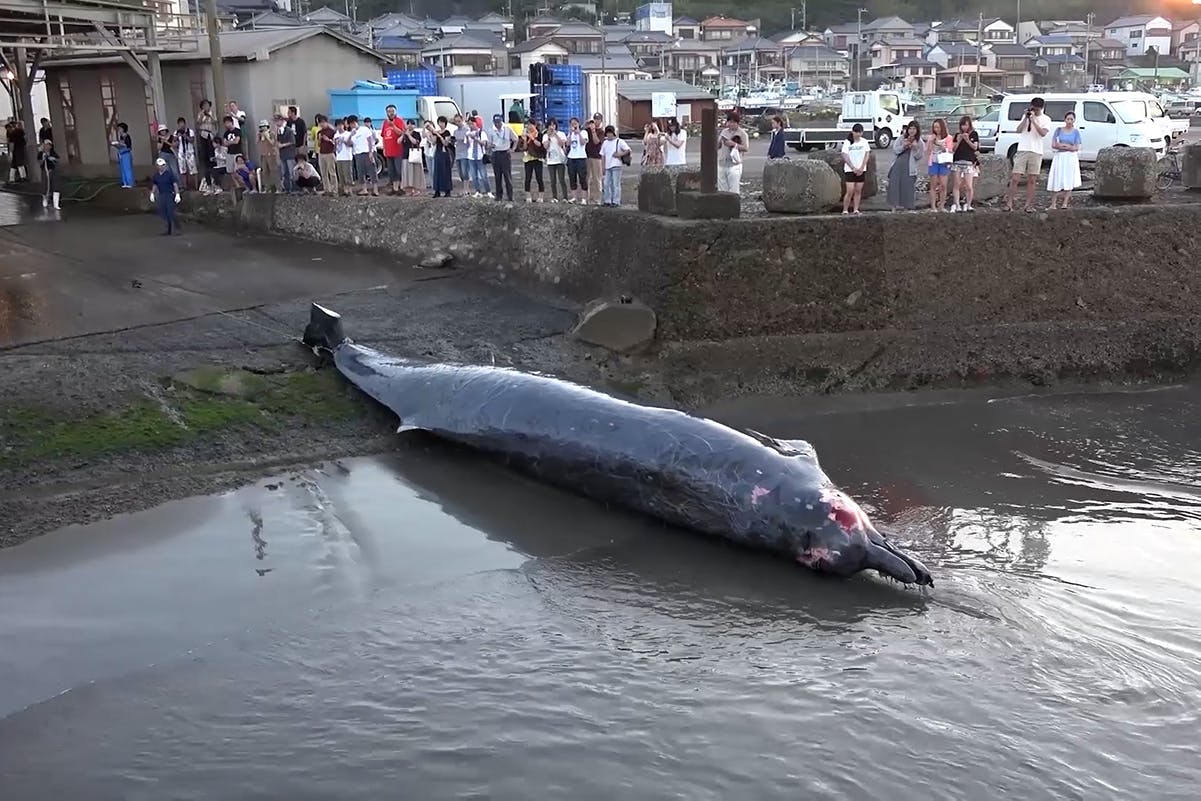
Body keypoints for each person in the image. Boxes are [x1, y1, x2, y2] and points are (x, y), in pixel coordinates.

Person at [1005, 96, 1050, 213]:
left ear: (1041, 108)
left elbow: (1042, 133)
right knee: (1015, 178)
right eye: (1033, 108)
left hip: (1036, 151)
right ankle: (1009, 203)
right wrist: (1026, 118)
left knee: (1032, 180)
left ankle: (1028, 205)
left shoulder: (1046, 119)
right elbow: (1018, 130)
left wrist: (1034, 121)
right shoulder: (1026, 116)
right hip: (1023, 149)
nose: (1034, 111)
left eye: (1037, 109)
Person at [1047, 111, 1082, 209]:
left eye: (1071, 119)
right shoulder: (1058, 130)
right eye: (1068, 119)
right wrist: (1067, 146)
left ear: (1074, 120)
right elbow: (1054, 144)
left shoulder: (1076, 132)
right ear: (1065, 120)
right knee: (1056, 178)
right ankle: (1053, 204)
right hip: (1060, 156)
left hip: (1070, 158)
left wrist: (1064, 146)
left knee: (1069, 178)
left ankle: (1065, 203)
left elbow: (1076, 147)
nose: (1069, 121)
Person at [887, 121, 922, 211]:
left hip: (910, 167)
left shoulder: (920, 141)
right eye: (910, 128)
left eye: (914, 129)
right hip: (898, 165)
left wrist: (915, 148)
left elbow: (919, 156)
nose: (911, 131)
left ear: (917, 130)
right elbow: (895, 150)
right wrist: (904, 146)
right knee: (894, 185)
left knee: (908, 186)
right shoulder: (901, 138)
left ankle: (907, 208)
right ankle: (893, 208)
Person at [949, 115, 979, 213]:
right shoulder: (957, 135)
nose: (964, 127)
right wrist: (958, 141)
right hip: (957, 160)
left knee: (969, 185)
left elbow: (975, 147)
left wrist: (967, 140)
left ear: (970, 125)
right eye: (962, 125)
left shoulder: (974, 134)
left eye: (966, 125)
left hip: (969, 162)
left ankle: (969, 204)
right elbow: (953, 149)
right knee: (957, 184)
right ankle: (957, 204)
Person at [840, 123, 870, 214]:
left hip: (861, 169)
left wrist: (862, 167)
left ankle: (856, 209)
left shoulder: (864, 141)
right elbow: (844, 154)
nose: (858, 134)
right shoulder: (847, 142)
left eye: (860, 132)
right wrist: (853, 167)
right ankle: (845, 209)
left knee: (858, 190)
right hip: (850, 169)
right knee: (850, 190)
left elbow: (867, 154)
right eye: (856, 132)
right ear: (852, 132)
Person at [924, 117, 952, 212]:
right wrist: (931, 142)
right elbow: (927, 150)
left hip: (944, 162)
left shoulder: (948, 138)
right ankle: (933, 206)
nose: (937, 129)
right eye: (935, 127)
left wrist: (942, 146)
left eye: (938, 127)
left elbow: (950, 150)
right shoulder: (931, 137)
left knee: (943, 185)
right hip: (934, 161)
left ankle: (942, 206)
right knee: (933, 185)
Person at [487, 114, 516, 202]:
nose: (497, 125)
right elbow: (488, 143)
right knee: (497, 176)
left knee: (507, 176)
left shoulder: (507, 129)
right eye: (496, 123)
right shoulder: (491, 130)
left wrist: (513, 149)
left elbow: (516, 139)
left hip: (505, 153)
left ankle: (510, 196)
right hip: (496, 154)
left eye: (499, 122)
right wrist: (490, 145)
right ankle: (499, 196)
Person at [599, 124, 631, 207]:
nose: (609, 135)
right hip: (607, 166)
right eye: (607, 133)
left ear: (613, 133)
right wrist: (602, 166)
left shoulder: (619, 141)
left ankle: (616, 201)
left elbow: (628, 150)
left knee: (615, 184)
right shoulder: (605, 143)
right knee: (606, 184)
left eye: (610, 133)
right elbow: (602, 155)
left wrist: (620, 154)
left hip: (616, 165)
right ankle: (607, 200)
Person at [718, 112, 749, 193]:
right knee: (722, 189)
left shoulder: (742, 133)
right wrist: (719, 141)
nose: (731, 124)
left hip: (734, 164)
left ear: (737, 123)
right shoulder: (724, 132)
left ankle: (733, 205)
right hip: (722, 163)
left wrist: (733, 144)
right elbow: (718, 146)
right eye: (729, 122)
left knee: (734, 189)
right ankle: (723, 204)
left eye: (733, 122)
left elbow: (745, 148)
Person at [149, 157, 181, 235]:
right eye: (159, 165)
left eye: (162, 165)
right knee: (163, 212)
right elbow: (155, 184)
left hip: (170, 194)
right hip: (162, 195)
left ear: (165, 166)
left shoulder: (169, 174)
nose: (161, 167)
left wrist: (177, 194)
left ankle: (176, 230)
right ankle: (168, 229)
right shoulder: (156, 176)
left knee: (171, 212)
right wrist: (152, 193)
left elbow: (175, 184)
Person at [349, 115, 377, 196]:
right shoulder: (353, 133)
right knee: (361, 172)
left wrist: (370, 152)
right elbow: (349, 143)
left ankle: (375, 190)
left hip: (367, 152)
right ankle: (364, 189)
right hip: (358, 154)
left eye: (351, 124)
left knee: (372, 171)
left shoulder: (364, 129)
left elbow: (370, 140)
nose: (351, 126)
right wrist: (351, 135)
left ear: (355, 122)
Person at [381, 104, 405, 195]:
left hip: (397, 150)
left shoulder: (399, 120)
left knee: (398, 170)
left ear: (395, 112)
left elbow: (402, 133)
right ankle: (394, 188)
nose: (391, 113)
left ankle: (399, 187)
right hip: (388, 150)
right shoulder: (385, 122)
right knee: (391, 171)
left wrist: (393, 125)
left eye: (392, 111)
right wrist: (384, 148)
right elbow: (383, 136)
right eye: (389, 111)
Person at [427, 117, 455, 198]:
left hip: (445, 153)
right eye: (439, 122)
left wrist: (439, 135)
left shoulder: (447, 132)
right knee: (437, 172)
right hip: (438, 153)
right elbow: (433, 142)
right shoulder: (436, 132)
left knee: (445, 172)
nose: (441, 124)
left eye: (442, 122)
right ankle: (437, 190)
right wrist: (431, 134)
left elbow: (446, 143)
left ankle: (447, 190)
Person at [195, 99, 218, 193]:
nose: (206, 107)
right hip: (203, 134)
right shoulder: (200, 114)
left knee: (212, 155)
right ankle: (208, 181)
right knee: (204, 156)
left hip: (211, 134)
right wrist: (202, 115)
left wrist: (209, 115)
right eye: (204, 105)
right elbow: (198, 124)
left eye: (207, 105)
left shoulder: (212, 113)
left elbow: (215, 122)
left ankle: (215, 179)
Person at [565, 117, 589, 203]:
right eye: (572, 123)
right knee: (572, 178)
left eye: (575, 123)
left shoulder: (584, 132)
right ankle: (574, 197)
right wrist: (571, 134)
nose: (573, 125)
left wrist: (578, 133)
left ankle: (584, 198)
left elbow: (583, 142)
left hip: (581, 157)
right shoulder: (570, 133)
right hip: (572, 157)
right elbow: (567, 144)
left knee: (582, 178)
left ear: (578, 124)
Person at [520, 121, 546, 203]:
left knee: (539, 178)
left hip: (538, 158)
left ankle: (541, 197)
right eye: (528, 125)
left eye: (531, 125)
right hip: (528, 158)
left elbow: (540, 145)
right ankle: (528, 196)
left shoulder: (540, 135)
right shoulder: (526, 135)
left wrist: (532, 138)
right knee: (528, 178)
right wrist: (524, 140)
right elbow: (524, 148)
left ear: (535, 125)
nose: (529, 127)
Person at [543, 119, 568, 202]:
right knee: (552, 180)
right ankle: (554, 197)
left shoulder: (561, 134)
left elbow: (562, 144)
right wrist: (549, 137)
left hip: (560, 159)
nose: (552, 127)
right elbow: (546, 147)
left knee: (561, 179)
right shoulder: (545, 135)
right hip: (551, 160)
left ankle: (565, 197)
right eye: (550, 125)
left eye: (553, 125)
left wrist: (556, 135)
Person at [466, 116, 490, 197]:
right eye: (469, 124)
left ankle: (488, 191)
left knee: (483, 175)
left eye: (472, 124)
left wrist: (475, 138)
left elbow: (483, 143)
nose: (471, 126)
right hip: (471, 156)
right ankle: (477, 191)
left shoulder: (481, 132)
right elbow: (466, 144)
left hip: (480, 156)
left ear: (476, 123)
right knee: (474, 175)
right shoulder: (468, 133)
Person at [585, 116, 604, 204]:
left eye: (598, 119)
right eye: (594, 120)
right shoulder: (587, 131)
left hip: (596, 157)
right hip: (587, 156)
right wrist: (586, 125)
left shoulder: (601, 132)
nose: (596, 121)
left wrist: (593, 131)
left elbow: (596, 141)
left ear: (601, 121)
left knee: (597, 178)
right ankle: (586, 198)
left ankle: (598, 198)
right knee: (586, 178)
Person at [317, 116, 338, 196]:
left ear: (326, 122)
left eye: (323, 122)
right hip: (321, 153)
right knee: (323, 173)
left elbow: (335, 143)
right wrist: (319, 139)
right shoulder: (320, 132)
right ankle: (327, 189)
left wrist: (328, 140)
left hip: (330, 153)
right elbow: (319, 144)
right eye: (320, 122)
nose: (322, 124)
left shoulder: (332, 131)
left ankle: (334, 190)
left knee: (332, 172)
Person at [220, 115, 242, 191]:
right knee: (231, 171)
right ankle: (237, 185)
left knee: (238, 170)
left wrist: (229, 142)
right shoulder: (226, 133)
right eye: (225, 123)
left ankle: (243, 184)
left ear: (232, 122)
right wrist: (231, 142)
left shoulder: (237, 131)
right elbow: (224, 143)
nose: (227, 125)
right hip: (229, 153)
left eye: (228, 123)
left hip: (237, 152)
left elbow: (237, 141)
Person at [275, 113, 295, 193]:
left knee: (291, 172)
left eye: (277, 121)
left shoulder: (289, 130)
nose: (276, 123)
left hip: (289, 154)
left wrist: (282, 145)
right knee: (284, 172)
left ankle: (293, 188)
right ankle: (287, 188)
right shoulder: (278, 131)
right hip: (282, 154)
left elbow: (292, 142)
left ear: (282, 121)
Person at [38, 139, 60, 210]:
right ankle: (45, 201)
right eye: (45, 145)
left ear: (50, 146)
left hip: (53, 171)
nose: (46, 146)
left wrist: (53, 159)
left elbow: (57, 160)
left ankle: (56, 204)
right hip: (45, 172)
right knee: (45, 186)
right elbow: (40, 163)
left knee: (55, 186)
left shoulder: (53, 153)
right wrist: (43, 158)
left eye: (48, 145)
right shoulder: (41, 153)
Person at [256, 119, 278, 191]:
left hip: (271, 154)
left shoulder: (271, 133)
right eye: (261, 127)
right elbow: (257, 142)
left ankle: (277, 187)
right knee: (265, 172)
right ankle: (267, 187)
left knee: (273, 171)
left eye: (264, 126)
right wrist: (258, 136)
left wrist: (267, 137)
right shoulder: (260, 135)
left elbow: (272, 143)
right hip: (263, 155)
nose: (262, 128)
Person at [175, 117, 196, 190]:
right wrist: (177, 138)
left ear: (185, 123)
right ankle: (185, 186)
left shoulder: (190, 131)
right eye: (180, 124)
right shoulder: (176, 132)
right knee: (182, 170)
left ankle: (194, 186)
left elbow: (192, 140)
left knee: (192, 170)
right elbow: (175, 144)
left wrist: (185, 136)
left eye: (182, 123)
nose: (181, 125)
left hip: (189, 151)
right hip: (181, 152)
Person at [112, 122, 134, 188]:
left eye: (120, 128)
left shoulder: (127, 136)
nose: (119, 130)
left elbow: (129, 146)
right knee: (122, 169)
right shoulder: (121, 136)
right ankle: (125, 183)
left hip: (126, 154)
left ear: (123, 129)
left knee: (127, 169)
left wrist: (121, 145)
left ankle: (130, 183)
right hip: (121, 154)